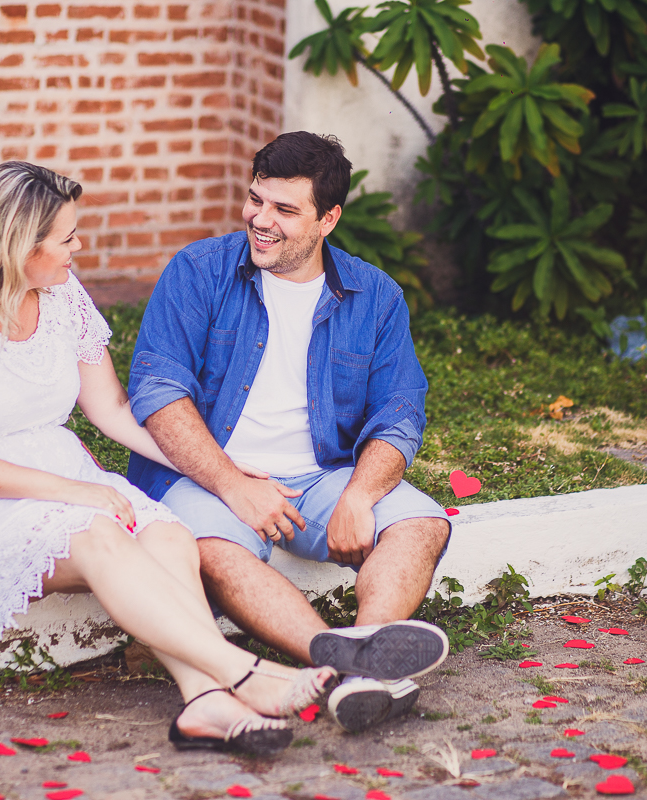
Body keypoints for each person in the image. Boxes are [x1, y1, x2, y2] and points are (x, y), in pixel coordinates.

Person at [0, 161, 337, 756]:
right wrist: (78, 493)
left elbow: (114, 411)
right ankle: (244, 673)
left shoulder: (62, 294)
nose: (80, 247)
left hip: (61, 471)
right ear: (20, 245)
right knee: (100, 533)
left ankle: (203, 703)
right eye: (67, 237)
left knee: (169, 537)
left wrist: (218, 472)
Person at [127, 132, 452, 733]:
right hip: (208, 474)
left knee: (422, 524)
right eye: (256, 201)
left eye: (284, 209)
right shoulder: (199, 272)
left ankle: (366, 651)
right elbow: (158, 393)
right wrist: (232, 484)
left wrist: (359, 493)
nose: (260, 220)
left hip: (322, 476)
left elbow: (400, 411)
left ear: (328, 219)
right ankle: (339, 665)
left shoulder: (374, 296)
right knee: (212, 554)